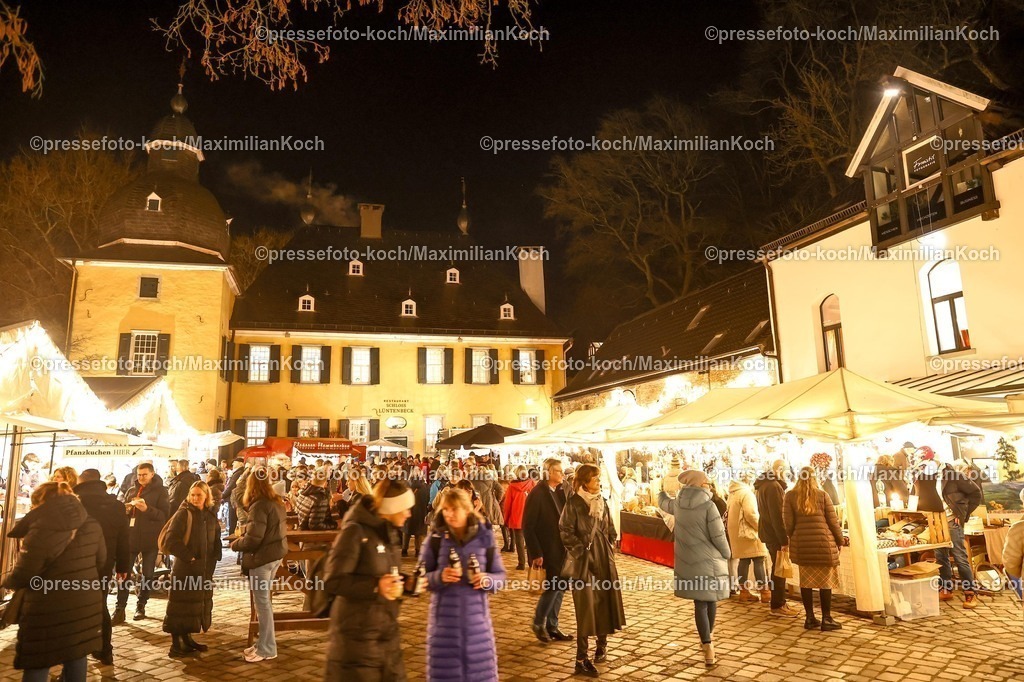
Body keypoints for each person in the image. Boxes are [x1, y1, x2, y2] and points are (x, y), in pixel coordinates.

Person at [6, 482, 106, 681]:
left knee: (38, 659)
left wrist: (7, 581)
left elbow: (24, 573)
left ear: (41, 502)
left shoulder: (42, 526)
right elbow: (101, 560)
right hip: (84, 601)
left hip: (46, 605)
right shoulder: (91, 522)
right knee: (76, 653)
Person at [324, 478, 415, 680]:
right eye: (405, 508)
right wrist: (375, 586)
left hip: (386, 634)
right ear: (392, 508)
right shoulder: (355, 531)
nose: (409, 514)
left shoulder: (388, 532)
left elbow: (383, 572)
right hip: (356, 639)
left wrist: (406, 582)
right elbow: (333, 580)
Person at [422, 487, 506, 682]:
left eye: (454, 509)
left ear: (467, 510)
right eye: (446, 509)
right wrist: (439, 577)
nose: (449, 514)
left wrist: (487, 579)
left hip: (477, 627)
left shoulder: (485, 538)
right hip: (444, 629)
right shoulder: (435, 540)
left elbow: (500, 576)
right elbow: (420, 578)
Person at [658, 470, 730, 667]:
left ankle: (707, 641)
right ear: (699, 484)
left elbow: (663, 503)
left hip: (688, 559)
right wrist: (727, 553)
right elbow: (718, 535)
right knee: (710, 598)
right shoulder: (709, 506)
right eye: (706, 482)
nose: (708, 484)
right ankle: (708, 642)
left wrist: (661, 491)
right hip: (709, 560)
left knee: (700, 602)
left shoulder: (679, 504)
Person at [559, 464, 625, 678]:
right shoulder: (574, 503)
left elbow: (610, 527)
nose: (599, 482)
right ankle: (581, 659)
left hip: (604, 560)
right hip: (584, 563)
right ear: (585, 481)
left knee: (604, 601)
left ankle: (602, 644)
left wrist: (609, 542)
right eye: (595, 479)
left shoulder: (602, 501)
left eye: (599, 478)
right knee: (586, 609)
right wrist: (581, 551)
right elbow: (565, 531)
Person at [231, 466, 289, 662]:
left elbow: (254, 538)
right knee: (264, 604)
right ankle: (263, 643)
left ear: (251, 485)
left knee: (262, 604)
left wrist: (236, 543)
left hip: (263, 558)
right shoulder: (276, 502)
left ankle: (267, 649)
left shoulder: (260, 505)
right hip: (274, 556)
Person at [74, 469, 130, 666]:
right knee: (101, 603)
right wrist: (123, 566)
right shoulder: (116, 505)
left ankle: (79, 654)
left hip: (79, 564)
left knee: (78, 608)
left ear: (81, 484)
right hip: (106, 563)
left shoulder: (78, 504)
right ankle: (105, 649)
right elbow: (124, 539)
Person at [162, 481, 222, 657]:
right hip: (185, 568)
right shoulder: (183, 514)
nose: (195, 498)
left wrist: (216, 554)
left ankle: (187, 639)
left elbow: (215, 536)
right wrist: (190, 557)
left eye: (199, 495)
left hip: (203, 569)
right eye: (193, 495)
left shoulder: (210, 514)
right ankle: (175, 645)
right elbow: (171, 541)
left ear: (206, 496)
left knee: (192, 607)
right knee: (180, 607)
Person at [784, 467, 844, 632]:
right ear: (814, 477)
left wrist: (795, 535)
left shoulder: (789, 496)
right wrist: (840, 540)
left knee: (806, 583)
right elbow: (833, 522)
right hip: (823, 544)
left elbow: (787, 524)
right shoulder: (822, 495)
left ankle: (810, 618)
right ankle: (827, 618)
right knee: (825, 583)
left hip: (803, 545)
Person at [523, 457, 572, 643]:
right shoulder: (538, 493)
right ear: (549, 473)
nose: (562, 474)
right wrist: (536, 553)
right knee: (552, 588)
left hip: (561, 548)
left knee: (560, 588)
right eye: (558, 471)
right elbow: (528, 526)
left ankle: (553, 626)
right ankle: (538, 623)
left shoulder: (560, 491)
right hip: (546, 549)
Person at [114, 462, 169, 624]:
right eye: (139, 474)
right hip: (131, 538)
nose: (141, 477)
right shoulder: (132, 490)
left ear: (152, 474)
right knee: (123, 573)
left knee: (148, 574)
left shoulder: (161, 491)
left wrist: (146, 509)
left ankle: (141, 605)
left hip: (151, 539)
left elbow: (164, 516)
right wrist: (125, 510)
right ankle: (120, 608)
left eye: (144, 474)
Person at [935, 458, 984, 608]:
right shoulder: (927, 478)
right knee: (940, 556)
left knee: (959, 556)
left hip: (952, 520)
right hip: (937, 520)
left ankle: (970, 593)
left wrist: (962, 514)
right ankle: (946, 588)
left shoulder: (954, 476)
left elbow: (976, 493)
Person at [754, 459, 799, 617]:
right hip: (774, 534)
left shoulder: (765, 485)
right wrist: (784, 540)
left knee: (777, 568)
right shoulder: (773, 487)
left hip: (769, 532)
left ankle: (780, 602)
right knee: (779, 569)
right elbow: (778, 516)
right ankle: (777, 604)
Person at [727, 473, 770, 603]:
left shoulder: (733, 494)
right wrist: (761, 529)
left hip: (737, 533)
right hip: (749, 533)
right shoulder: (746, 494)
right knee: (759, 559)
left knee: (744, 561)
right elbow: (751, 514)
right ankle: (765, 592)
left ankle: (744, 592)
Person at [502, 465, 535, 570]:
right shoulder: (532, 484)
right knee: (530, 541)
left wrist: (506, 518)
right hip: (531, 516)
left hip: (516, 517)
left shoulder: (512, 486)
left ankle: (521, 563)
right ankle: (531, 562)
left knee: (519, 542)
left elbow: (507, 504)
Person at [470, 462, 506, 530]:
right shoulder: (491, 479)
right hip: (491, 504)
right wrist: (497, 500)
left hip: (478, 506)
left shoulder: (472, 481)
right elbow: (501, 490)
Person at [403, 468, 430, 557]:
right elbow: (428, 500)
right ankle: (418, 550)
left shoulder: (406, 485)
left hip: (408, 510)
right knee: (419, 533)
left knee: (406, 532)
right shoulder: (426, 487)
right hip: (421, 511)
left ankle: (404, 549)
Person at [221, 457, 245, 537]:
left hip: (234, 499)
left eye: (235, 462)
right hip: (233, 498)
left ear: (240, 463)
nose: (232, 464)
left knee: (232, 519)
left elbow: (231, 486)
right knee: (231, 518)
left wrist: (223, 495)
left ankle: (232, 536)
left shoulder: (238, 472)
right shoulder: (237, 472)